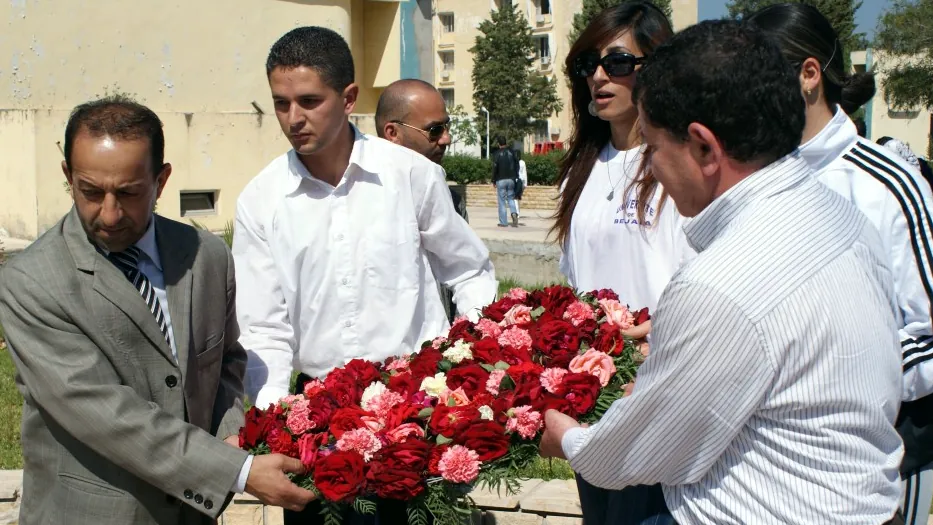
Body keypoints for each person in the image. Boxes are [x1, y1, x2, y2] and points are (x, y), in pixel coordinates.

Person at [540, 20, 905, 525]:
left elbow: (642, 451)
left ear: (705, 149)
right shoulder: (839, 215)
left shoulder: (720, 283)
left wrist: (570, 439)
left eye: (652, 146)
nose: (650, 164)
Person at [0, 96, 315, 525]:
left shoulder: (204, 256)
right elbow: (105, 414)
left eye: (128, 193)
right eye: (90, 191)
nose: (108, 214)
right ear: (67, 176)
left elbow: (224, 362)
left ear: (161, 180)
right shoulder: (32, 281)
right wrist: (235, 471)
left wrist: (229, 436)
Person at [232, 27, 497, 524]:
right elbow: (263, 327)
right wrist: (279, 424)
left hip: (417, 410)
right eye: (281, 103)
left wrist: (467, 363)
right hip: (319, 422)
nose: (293, 118)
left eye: (309, 101)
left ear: (349, 97)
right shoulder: (261, 200)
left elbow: (469, 270)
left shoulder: (410, 175)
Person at [748, 5, 933, 524]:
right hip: (775, 464)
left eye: (757, 75)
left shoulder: (886, 186)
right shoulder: (750, 181)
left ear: (809, 75)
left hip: (881, 459)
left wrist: (835, 385)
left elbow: (926, 333)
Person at [551, 2, 690, 521]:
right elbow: (575, 280)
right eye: (587, 64)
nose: (599, 76)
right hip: (593, 394)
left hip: (661, 394)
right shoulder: (580, 172)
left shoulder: (680, 166)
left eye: (619, 63)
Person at [375, 78, 468, 323]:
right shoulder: (362, 203)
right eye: (434, 130)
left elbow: (465, 274)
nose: (446, 139)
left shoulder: (452, 201)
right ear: (392, 133)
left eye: (447, 127)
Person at [491, 135, 520, 227]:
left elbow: (495, 167)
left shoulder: (496, 153)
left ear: (499, 144)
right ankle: (514, 213)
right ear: (506, 142)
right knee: (511, 198)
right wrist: (516, 176)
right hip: (511, 178)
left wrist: (493, 180)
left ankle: (503, 222)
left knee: (502, 201)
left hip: (501, 179)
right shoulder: (512, 152)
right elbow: (517, 164)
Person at [515, 150, 527, 215]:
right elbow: (524, 173)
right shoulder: (522, 162)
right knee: (518, 197)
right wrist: (525, 184)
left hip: (516, 181)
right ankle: (517, 212)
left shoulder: (513, 162)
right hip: (521, 181)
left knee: (515, 197)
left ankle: (516, 212)